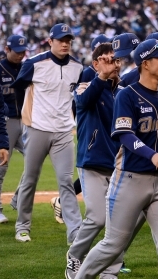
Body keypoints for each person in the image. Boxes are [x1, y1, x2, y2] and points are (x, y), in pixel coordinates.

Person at [75, 39, 158, 279]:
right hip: (130, 179)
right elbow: (125, 135)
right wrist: (153, 154)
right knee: (113, 245)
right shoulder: (127, 95)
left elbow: (150, 132)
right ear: (145, 64)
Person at [11, 23, 83, 244]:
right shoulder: (34, 64)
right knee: (30, 179)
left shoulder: (77, 67)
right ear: (50, 41)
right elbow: (18, 87)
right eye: (61, 40)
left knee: (66, 182)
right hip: (36, 129)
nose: (65, 44)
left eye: (68, 40)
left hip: (63, 132)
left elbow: (76, 98)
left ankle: (75, 232)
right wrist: (27, 115)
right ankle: (22, 227)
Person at [65, 42, 126, 279]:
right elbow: (83, 102)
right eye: (107, 59)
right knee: (97, 217)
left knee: (120, 221)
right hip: (91, 162)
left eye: (116, 59)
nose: (113, 63)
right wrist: (102, 76)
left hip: (119, 164)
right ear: (96, 63)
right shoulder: (83, 86)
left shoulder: (123, 92)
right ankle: (75, 256)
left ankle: (109, 272)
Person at [0, 35, 26, 223]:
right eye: (17, 52)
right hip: (6, 121)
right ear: (7, 50)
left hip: (26, 121)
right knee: (1, 167)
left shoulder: (27, 67)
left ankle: (18, 197)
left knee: (36, 160)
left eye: (23, 52)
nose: (21, 55)